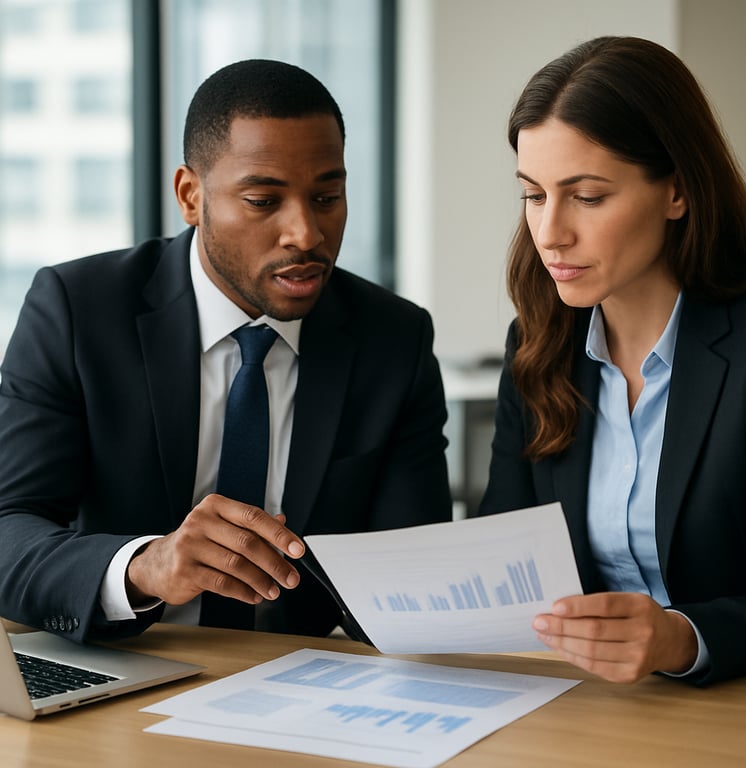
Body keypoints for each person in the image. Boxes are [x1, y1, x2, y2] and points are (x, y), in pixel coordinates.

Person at [0, 59, 452, 643]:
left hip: (303, 680)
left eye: (327, 196)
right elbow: (9, 526)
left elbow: (413, 570)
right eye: (264, 201)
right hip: (127, 663)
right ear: (191, 196)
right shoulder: (78, 311)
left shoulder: (394, 339)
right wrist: (146, 567)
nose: (306, 234)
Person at [479, 36, 746, 685]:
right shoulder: (538, 340)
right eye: (533, 194)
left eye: (587, 196)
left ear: (678, 191)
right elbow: (507, 563)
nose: (550, 232)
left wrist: (682, 639)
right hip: (585, 708)